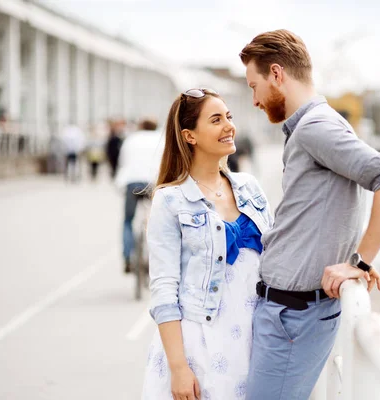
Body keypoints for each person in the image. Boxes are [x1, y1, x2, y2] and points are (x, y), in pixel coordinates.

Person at [239, 29, 380, 399]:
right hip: (288, 315)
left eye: (254, 86)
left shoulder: (315, 127)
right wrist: (354, 252)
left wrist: (361, 261)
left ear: (276, 74)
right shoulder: (314, 124)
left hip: (293, 319)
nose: (253, 99)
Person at [142, 88, 273, 400]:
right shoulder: (170, 200)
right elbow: (164, 288)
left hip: (254, 341)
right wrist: (178, 368)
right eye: (216, 119)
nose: (229, 126)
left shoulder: (249, 187)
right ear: (190, 136)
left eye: (229, 117)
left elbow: (281, 254)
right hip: (199, 345)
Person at [114, 118, 163, 273]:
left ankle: (127, 256)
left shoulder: (131, 139)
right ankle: (155, 258)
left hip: (132, 182)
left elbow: (122, 162)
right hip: (154, 183)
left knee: (128, 220)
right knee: (159, 221)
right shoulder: (162, 139)